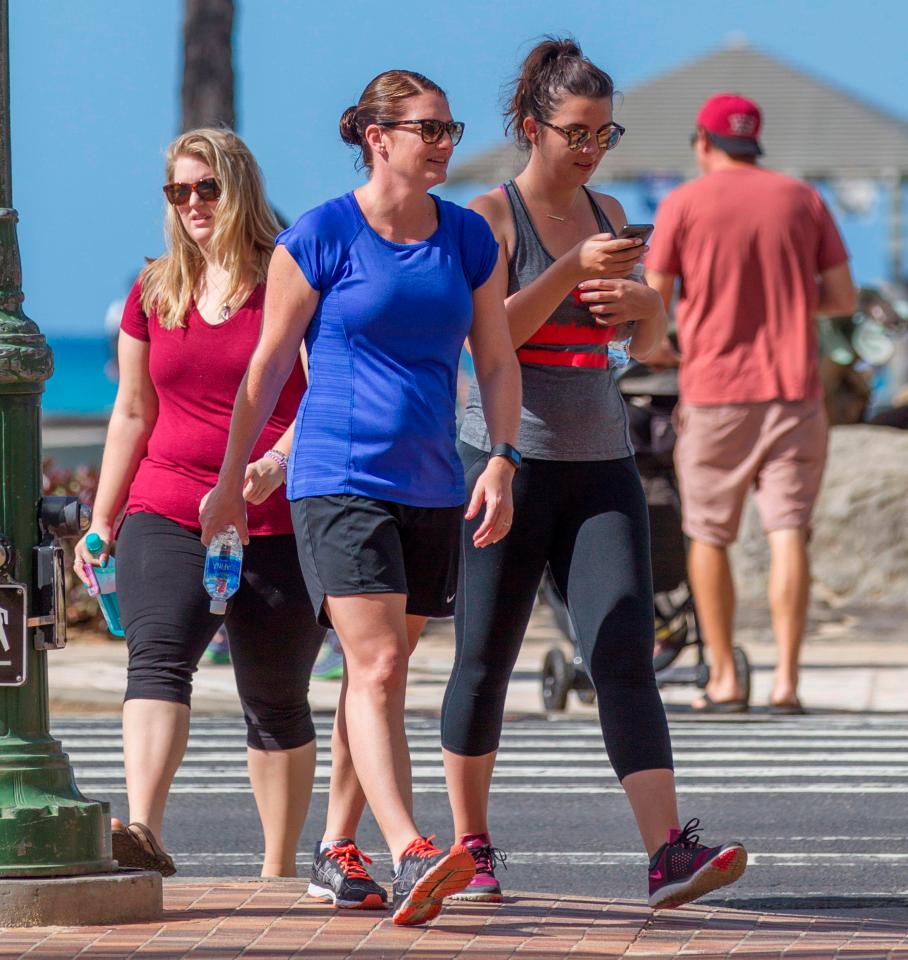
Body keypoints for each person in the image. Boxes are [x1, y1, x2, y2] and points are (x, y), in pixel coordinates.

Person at [200, 70, 522, 925]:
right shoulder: (320, 236)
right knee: (375, 665)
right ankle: (415, 844)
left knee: (381, 675)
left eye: (451, 127)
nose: (446, 141)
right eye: (430, 128)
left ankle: (337, 845)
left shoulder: (467, 240)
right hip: (339, 478)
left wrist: (502, 459)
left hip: (432, 480)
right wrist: (233, 482)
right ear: (377, 137)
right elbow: (267, 367)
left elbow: (493, 358)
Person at [440, 38, 748, 910]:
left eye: (604, 134)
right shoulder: (490, 219)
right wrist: (569, 270)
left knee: (623, 653)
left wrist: (651, 309)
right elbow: (484, 336)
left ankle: (667, 855)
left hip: (601, 460)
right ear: (533, 128)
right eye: (576, 132)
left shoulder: (613, 213)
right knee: (484, 659)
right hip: (505, 460)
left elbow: (648, 350)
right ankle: (473, 849)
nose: (589, 150)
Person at [73, 128, 325, 878]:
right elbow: (131, 413)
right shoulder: (154, 289)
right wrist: (101, 518)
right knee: (155, 660)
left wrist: (279, 460)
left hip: (273, 514)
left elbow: (323, 390)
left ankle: (278, 872)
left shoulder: (294, 279)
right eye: (178, 192)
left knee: (275, 696)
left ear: (238, 187)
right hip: (170, 501)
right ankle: (143, 831)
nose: (191, 204)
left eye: (205, 188)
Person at [646, 93, 857, 714]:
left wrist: (666, 349)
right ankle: (787, 681)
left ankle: (725, 680)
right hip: (795, 388)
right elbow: (842, 297)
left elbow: (654, 310)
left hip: (716, 392)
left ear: (703, 143)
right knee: (789, 530)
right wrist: (789, 301)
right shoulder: (802, 199)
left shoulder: (683, 203)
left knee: (708, 533)